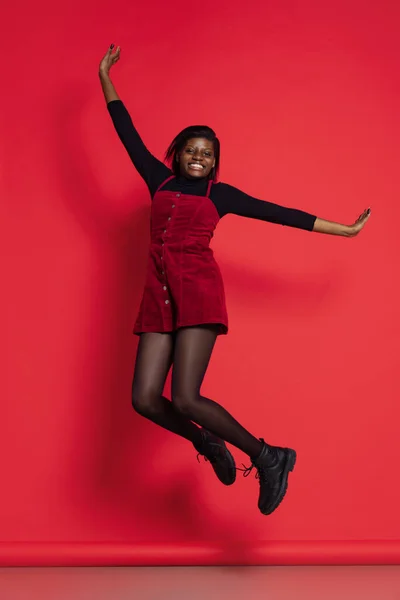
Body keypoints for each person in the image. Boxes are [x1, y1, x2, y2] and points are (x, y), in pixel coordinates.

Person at [98, 44, 371, 516]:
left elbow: (278, 214)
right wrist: (104, 75)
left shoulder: (219, 195)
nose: (200, 157)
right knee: (144, 398)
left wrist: (342, 229)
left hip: (198, 295)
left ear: (213, 162)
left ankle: (268, 457)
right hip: (158, 298)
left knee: (185, 395)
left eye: (208, 153)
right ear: (178, 153)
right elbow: (126, 132)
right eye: (192, 150)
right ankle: (208, 442)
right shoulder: (157, 180)